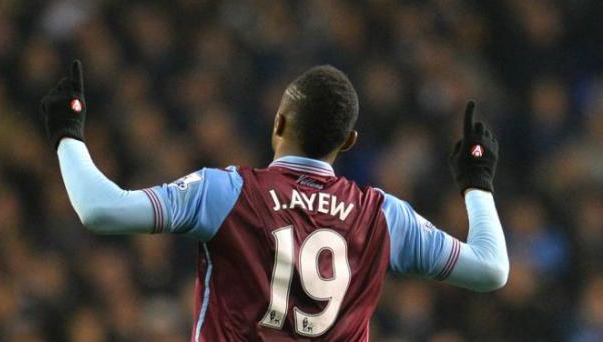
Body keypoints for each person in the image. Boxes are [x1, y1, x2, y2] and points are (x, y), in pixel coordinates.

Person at [40, 60, 509, 341]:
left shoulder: (227, 192)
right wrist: (477, 182)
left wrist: (68, 132)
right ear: (348, 142)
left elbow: (100, 208)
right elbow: (491, 269)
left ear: (279, 123)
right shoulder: (382, 216)